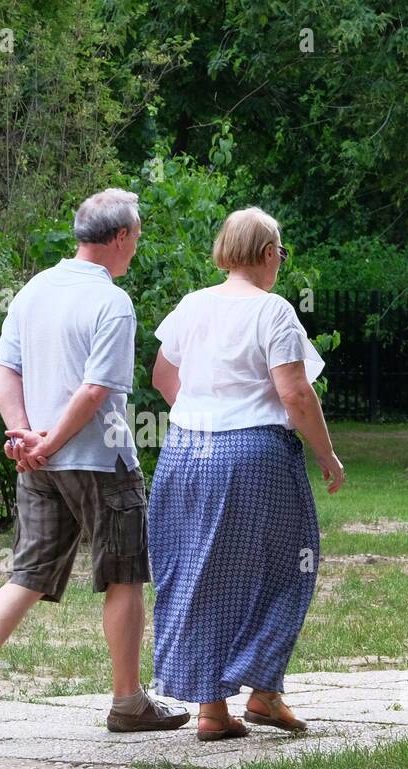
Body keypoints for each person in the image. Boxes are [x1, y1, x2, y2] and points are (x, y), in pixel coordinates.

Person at [0, 188, 190, 740]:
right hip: (101, 461)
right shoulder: (112, 302)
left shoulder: (33, 290)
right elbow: (99, 388)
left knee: (27, 573)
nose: (137, 248)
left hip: (38, 462)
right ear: (121, 237)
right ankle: (128, 701)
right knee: (124, 575)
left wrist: (24, 436)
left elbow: (3, 370)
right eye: (137, 237)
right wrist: (50, 440)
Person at [148, 207, 345, 741]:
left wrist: (201, 414)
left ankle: (213, 711)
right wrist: (327, 455)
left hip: (184, 453)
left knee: (196, 570)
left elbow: (164, 375)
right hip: (254, 454)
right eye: (280, 251)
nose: (280, 261)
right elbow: (296, 395)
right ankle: (263, 691)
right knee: (290, 565)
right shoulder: (274, 311)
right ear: (265, 254)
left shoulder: (192, 305)